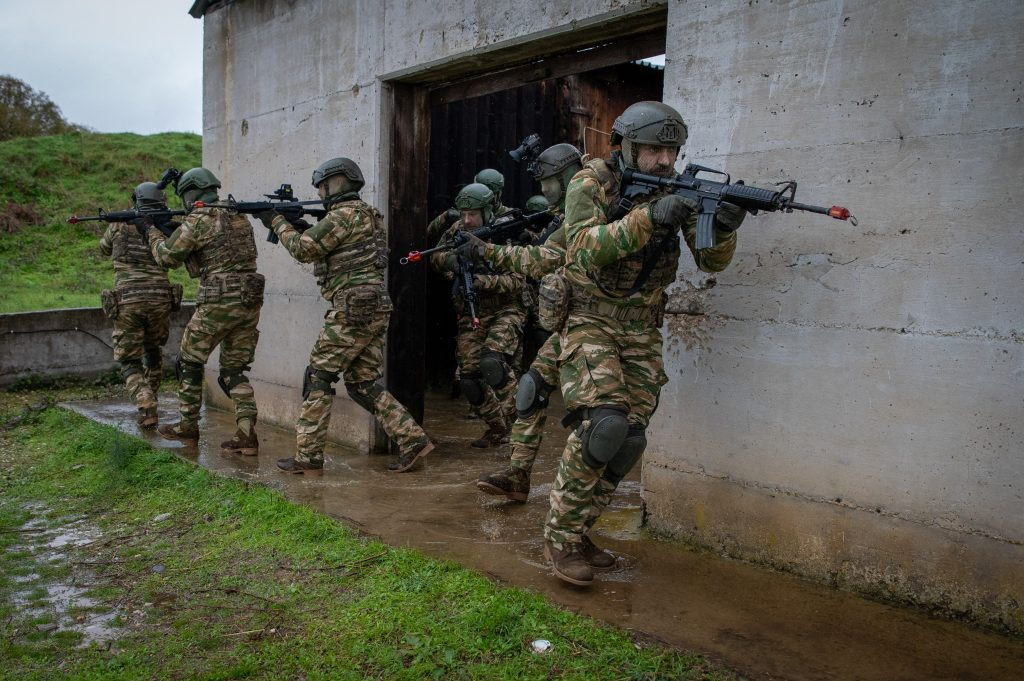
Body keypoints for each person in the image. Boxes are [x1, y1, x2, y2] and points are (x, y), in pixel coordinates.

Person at [541, 101, 747, 586]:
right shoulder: (590, 183)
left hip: (641, 327)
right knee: (604, 423)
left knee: (629, 438)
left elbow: (712, 263)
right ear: (626, 146)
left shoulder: (675, 186)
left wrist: (722, 228)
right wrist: (651, 217)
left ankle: (581, 530)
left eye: (671, 150)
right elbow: (585, 248)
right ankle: (560, 535)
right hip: (591, 317)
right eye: (654, 149)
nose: (664, 160)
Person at [258, 157, 434, 475]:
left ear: (340, 182)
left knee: (319, 376)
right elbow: (326, 244)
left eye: (326, 185)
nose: (323, 192)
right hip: (372, 305)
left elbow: (303, 249)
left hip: (353, 306)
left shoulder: (344, 214)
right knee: (362, 382)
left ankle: (308, 457)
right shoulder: (366, 215)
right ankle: (413, 440)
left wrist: (276, 222)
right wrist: (296, 223)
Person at [459, 143, 584, 502]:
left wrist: (488, 253)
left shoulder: (593, 212)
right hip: (571, 321)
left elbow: (541, 258)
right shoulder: (570, 215)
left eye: (547, 183)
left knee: (596, 420)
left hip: (602, 324)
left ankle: (574, 506)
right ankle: (517, 475)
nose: (543, 192)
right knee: (529, 391)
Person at [147, 167, 264, 456]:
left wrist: (150, 231)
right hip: (249, 302)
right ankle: (246, 434)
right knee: (234, 371)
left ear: (191, 193)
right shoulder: (239, 216)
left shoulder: (199, 218)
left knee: (189, 361)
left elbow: (167, 257)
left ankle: (187, 425)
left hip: (217, 302)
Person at [430, 183, 527, 448]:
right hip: (471, 313)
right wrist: (454, 262)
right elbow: (435, 256)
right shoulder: (458, 230)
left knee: (492, 365)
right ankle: (497, 428)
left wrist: (485, 282)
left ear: (486, 211)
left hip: (506, 309)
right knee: (469, 379)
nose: (467, 220)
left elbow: (519, 281)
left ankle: (521, 428)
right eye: (463, 213)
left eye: (472, 214)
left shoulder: (505, 232)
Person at [98, 182, 181, 428]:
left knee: (129, 360)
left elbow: (104, 249)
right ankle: (151, 401)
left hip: (129, 300)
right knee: (153, 350)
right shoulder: (163, 227)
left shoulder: (119, 224)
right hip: (159, 298)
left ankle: (145, 404)